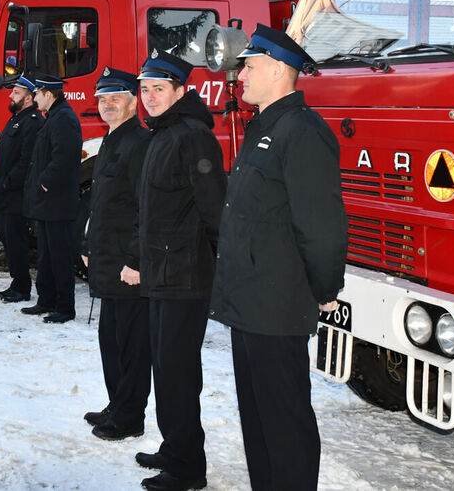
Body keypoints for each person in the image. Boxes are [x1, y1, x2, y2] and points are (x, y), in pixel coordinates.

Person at [210, 24, 347, 491]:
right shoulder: (264, 127)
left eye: (250, 66)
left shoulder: (302, 131)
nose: (241, 76)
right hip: (249, 302)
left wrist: (325, 288)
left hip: (277, 305)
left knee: (284, 423)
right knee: (257, 420)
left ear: (279, 69)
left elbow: (321, 224)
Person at [135, 50, 226, 491]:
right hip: (161, 272)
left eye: (159, 89)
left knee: (178, 375)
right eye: (145, 89)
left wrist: (221, 267)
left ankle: (188, 467)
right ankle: (174, 448)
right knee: (165, 369)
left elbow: (214, 209)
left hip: (185, 276)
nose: (150, 97)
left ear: (180, 91)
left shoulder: (192, 136)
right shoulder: (163, 132)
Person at [81, 67, 152, 442]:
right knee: (110, 340)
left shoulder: (139, 143)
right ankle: (117, 403)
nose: (107, 104)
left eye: (115, 98)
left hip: (127, 265)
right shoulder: (111, 140)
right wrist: (88, 246)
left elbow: (145, 209)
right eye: (103, 99)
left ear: (132, 102)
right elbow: (101, 205)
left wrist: (136, 261)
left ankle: (130, 416)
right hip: (107, 259)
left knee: (131, 345)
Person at [21, 73, 82, 324]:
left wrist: (44, 182)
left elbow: (65, 157)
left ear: (49, 94)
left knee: (60, 256)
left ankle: (65, 307)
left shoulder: (64, 118)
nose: (34, 98)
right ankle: (46, 300)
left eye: (37, 94)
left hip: (58, 202)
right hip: (48, 203)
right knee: (46, 255)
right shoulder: (54, 116)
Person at [0, 75, 44, 304]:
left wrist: (7, 182)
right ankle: (16, 283)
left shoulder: (33, 122)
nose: (11, 95)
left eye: (17, 93)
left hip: (15, 196)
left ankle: (22, 287)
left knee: (17, 243)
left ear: (29, 98)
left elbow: (26, 160)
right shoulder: (18, 118)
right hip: (5, 195)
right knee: (9, 240)